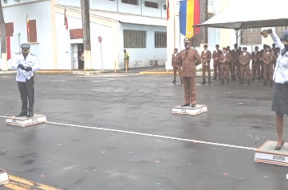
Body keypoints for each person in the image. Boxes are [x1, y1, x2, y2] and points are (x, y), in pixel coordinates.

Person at [264, 29, 288, 150]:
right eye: (284, 42)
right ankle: (279, 140)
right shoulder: (283, 49)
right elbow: (276, 40)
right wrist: (271, 32)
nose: (284, 44)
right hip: (279, 86)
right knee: (278, 114)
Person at [9, 43, 40, 117]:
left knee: (30, 95)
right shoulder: (17, 56)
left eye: (26, 49)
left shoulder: (33, 57)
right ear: (21, 49)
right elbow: (11, 64)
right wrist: (18, 65)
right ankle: (24, 111)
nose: (25, 51)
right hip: (20, 78)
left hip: (29, 78)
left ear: (29, 49)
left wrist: (31, 68)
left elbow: (38, 65)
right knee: (23, 95)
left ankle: (30, 111)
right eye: (24, 49)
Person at [179, 38, 201, 107]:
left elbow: (199, 60)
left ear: (190, 43)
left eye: (188, 43)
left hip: (191, 72)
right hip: (184, 72)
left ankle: (193, 102)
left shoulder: (194, 51)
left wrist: (193, 66)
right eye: (185, 43)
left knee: (193, 88)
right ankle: (187, 102)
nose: (186, 44)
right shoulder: (181, 52)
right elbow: (180, 62)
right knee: (186, 89)